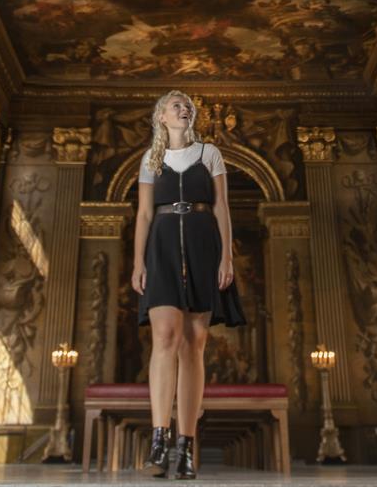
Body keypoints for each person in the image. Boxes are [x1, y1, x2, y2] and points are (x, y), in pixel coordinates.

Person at [133, 90, 246, 478]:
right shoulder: (151, 159)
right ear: (161, 116)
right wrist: (138, 262)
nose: (185, 110)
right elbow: (145, 214)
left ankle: (186, 447)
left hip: (203, 243)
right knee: (164, 335)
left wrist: (226, 256)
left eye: (188, 107)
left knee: (194, 343)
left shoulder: (209, 153)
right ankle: (159, 442)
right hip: (161, 246)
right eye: (177, 105)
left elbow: (221, 206)